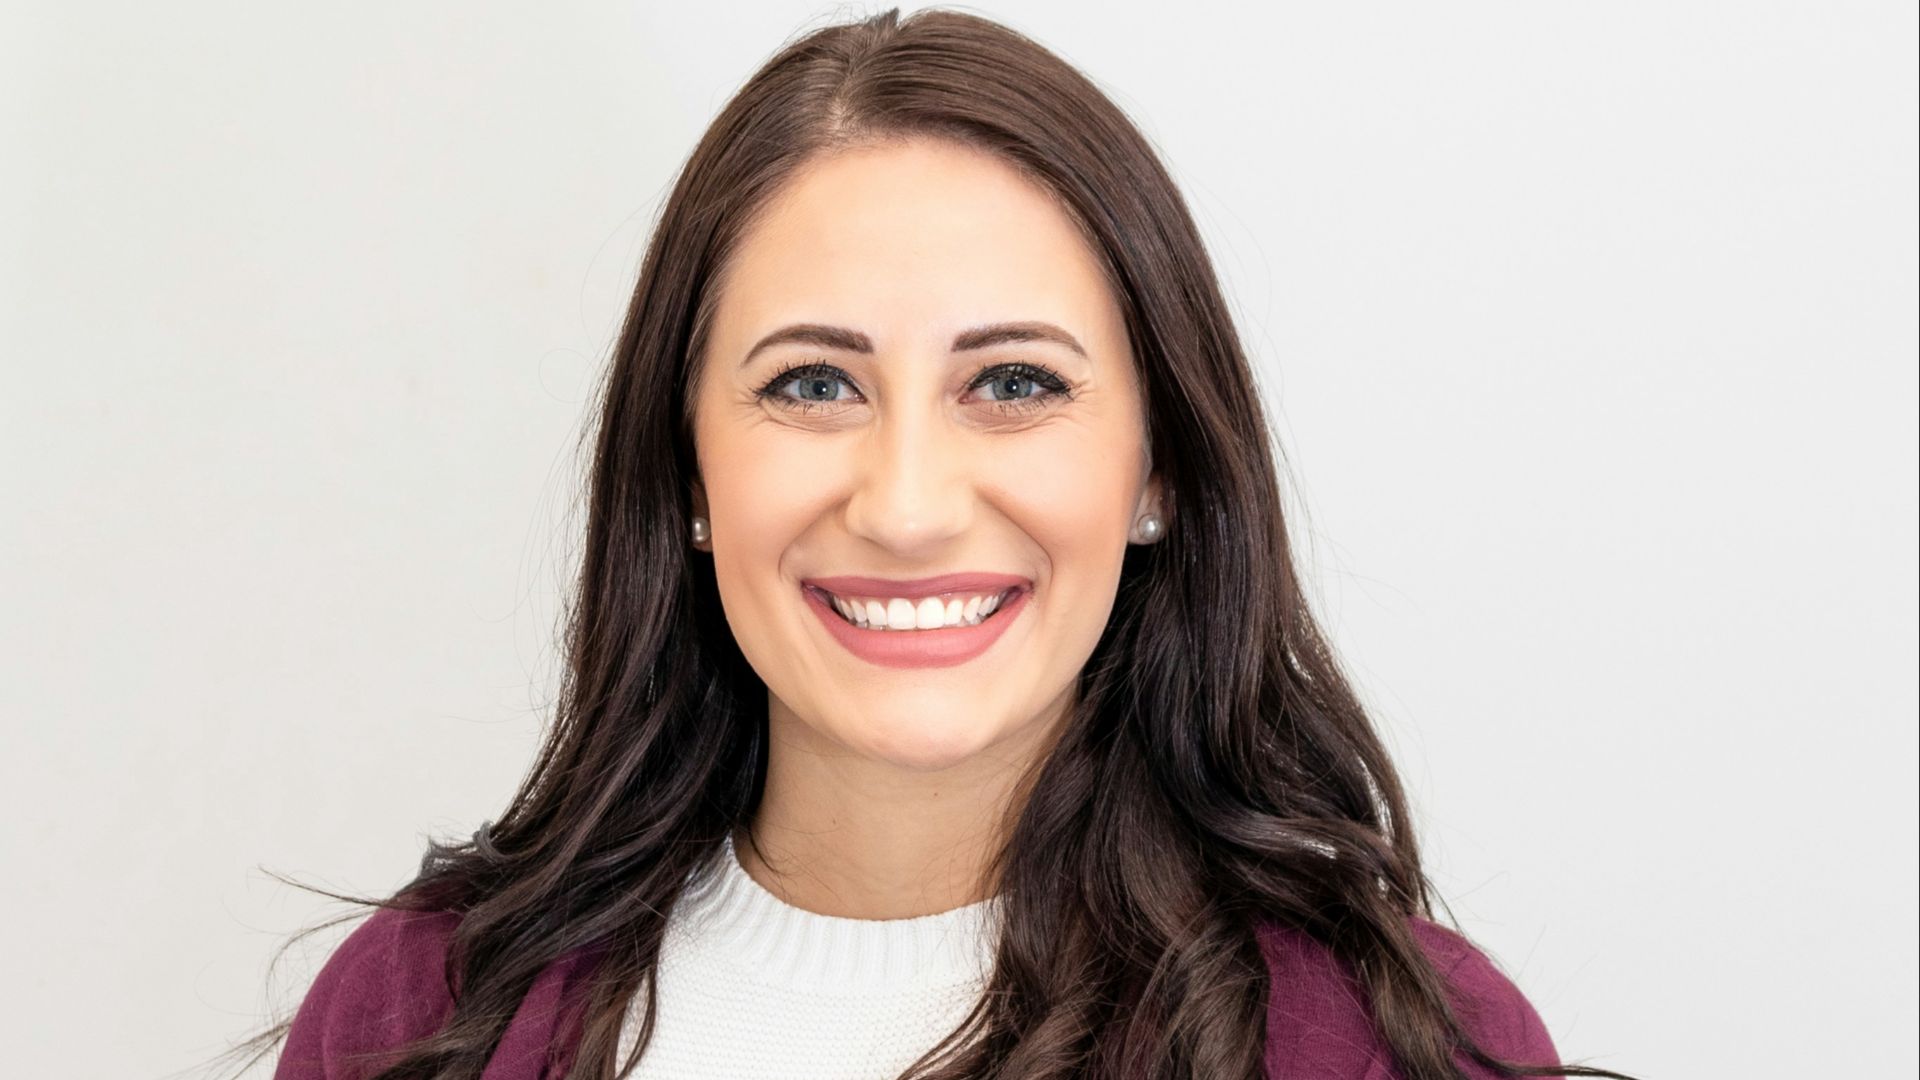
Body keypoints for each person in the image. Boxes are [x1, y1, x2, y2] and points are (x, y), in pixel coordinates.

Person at [245, 8, 1640, 1079]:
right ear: (687, 471)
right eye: (813, 384)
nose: (906, 507)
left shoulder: (1391, 1045)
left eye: (1015, 382)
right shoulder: (412, 1012)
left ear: (1158, 468)